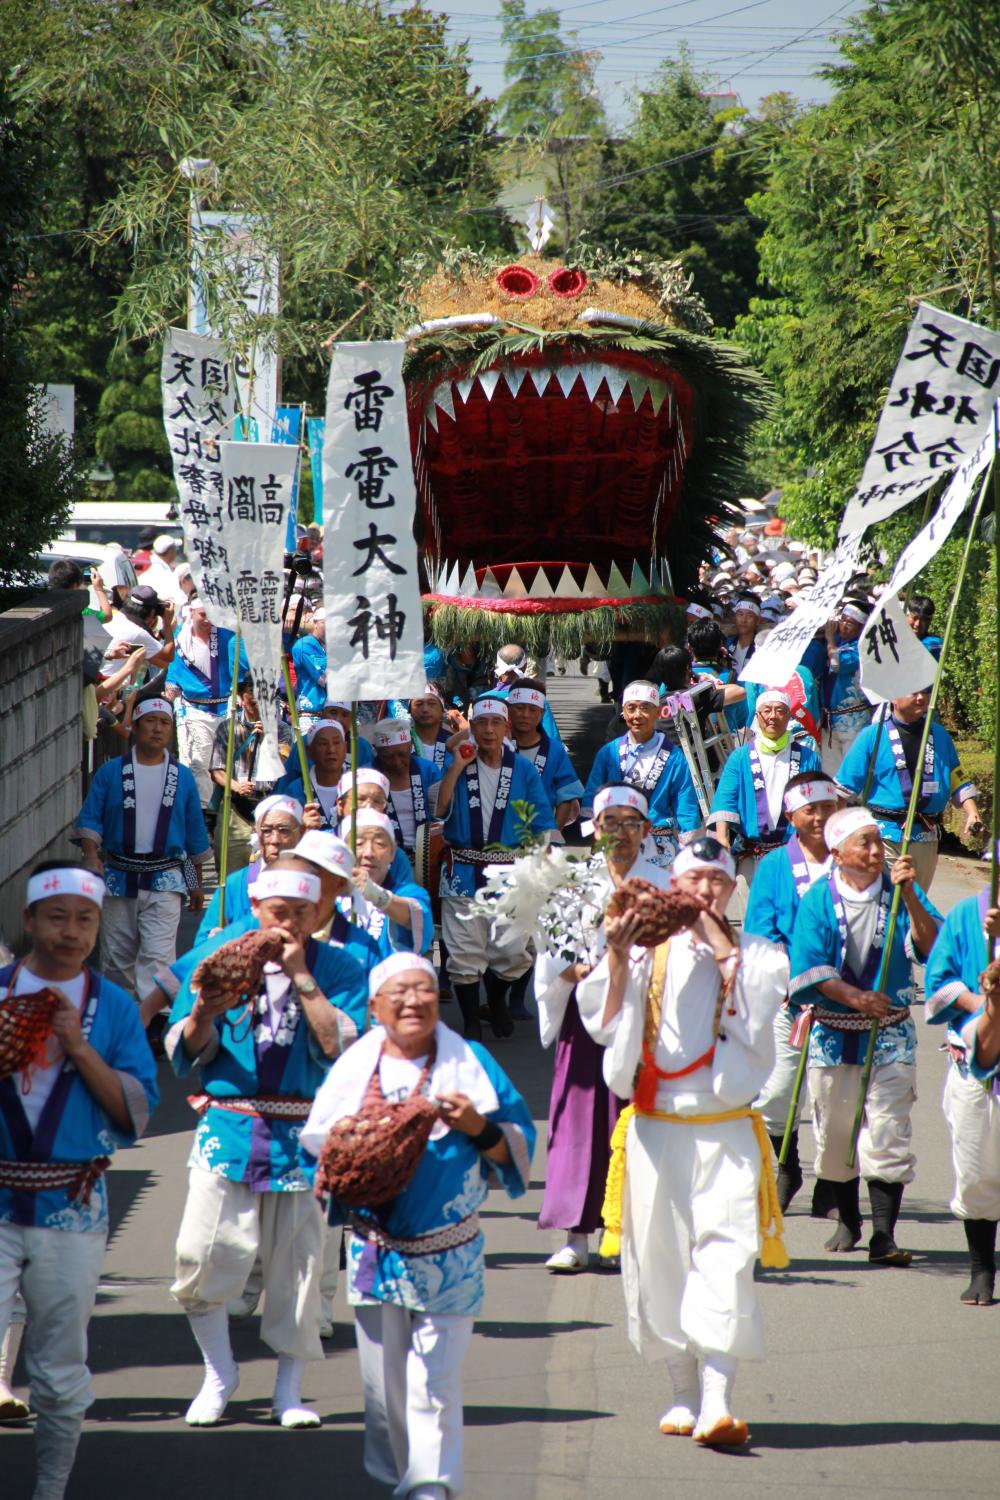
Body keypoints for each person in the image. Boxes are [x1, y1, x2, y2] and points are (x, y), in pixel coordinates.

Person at [576, 839, 788, 1446]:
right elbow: (603, 1023)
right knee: (659, 1262)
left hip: (724, 1132)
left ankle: (719, 1400)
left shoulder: (759, 954)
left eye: (716, 883)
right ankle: (682, 1393)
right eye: (692, 881)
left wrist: (723, 951)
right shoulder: (648, 952)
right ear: (672, 886)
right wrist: (616, 955)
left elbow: (757, 1018)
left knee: (725, 1258)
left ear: (731, 892)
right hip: (654, 1129)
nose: (704, 893)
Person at [300, 953, 535, 1499]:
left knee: (435, 1384)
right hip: (375, 1250)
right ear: (377, 1006)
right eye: (398, 993)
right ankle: (401, 1478)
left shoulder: (471, 1062)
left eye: (424, 990)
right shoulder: (357, 1070)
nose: (412, 1001)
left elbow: (514, 1149)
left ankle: (431, 1488)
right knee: (385, 1393)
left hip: (449, 1254)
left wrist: (476, 1124)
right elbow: (322, 1150)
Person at [167, 866, 368, 1428]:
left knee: (298, 1271)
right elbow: (190, 1049)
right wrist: (205, 1009)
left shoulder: (340, 967)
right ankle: (218, 1371)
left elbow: (339, 1046)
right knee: (198, 1254)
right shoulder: (219, 957)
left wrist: (302, 975)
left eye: (301, 913)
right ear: (255, 906)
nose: (287, 923)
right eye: (277, 911)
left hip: (304, 1132)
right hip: (229, 1125)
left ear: (319, 914)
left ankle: (289, 1390)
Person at [0, 863, 158, 1497]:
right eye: (57, 916)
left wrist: (79, 1047)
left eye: (85, 919)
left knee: (60, 1363)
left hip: (73, 1200)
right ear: (31, 920)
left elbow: (135, 1110)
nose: (71, 931)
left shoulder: (112, 1007)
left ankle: (50, 1487)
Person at [788, 808, 941, 1263]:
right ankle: (849, 1219)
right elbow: (810, 968)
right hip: (835, 1032)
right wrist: (855, 999)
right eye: (865, 843)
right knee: (835, 1136)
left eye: (879, 842)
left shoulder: (898, 891)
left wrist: (911, 896)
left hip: (891, 1031)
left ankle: (884, 1235)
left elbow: (931, 944)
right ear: (837, 852)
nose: (877, 851)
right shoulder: (818, 899)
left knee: (889, 1132)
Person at [533, 784, 668, 1273]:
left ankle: (627, 1231)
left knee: (635, 1122)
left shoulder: (664, 882)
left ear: (647, 831)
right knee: (578, 1121)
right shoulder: (574, 885)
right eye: (610, 823)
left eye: (631, 823)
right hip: (587, 1016)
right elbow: (551, 953)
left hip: (646, 1016)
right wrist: (571, 972)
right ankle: (576, 1233)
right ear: (595, 829)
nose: (620, 833)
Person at [744, 771, 838, 1211]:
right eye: (810, 810)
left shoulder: (851, 858)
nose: (820, 817)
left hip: (845, 999)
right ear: (791, 815)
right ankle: (787, 1161)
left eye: (828, 807)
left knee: (834, 1098)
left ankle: (835, 1180)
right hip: (791, 998)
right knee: (780, 1090)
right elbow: (759, 933)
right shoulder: (774, 865)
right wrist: (795, 979)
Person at [436, 698, 556, 1041]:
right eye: (481, 723)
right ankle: (471, 1020)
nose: (488, 730)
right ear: (471, 728)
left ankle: (499, 1001)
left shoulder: (523, 769)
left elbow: (540, 820)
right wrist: (457, 767)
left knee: (514, 951)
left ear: (506, 728)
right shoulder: (459, 763)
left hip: (510, 870)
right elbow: (441, 808)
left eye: (495, 723)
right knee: (463, 951)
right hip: (462, 868)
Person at [75, 695, 210, 997]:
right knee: (116, 959)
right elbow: (92, 817)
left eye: (164, 723)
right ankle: (121, 1018)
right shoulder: (110, 773)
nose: (157, 729)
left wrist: (196, 883)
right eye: (150, 721)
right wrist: (90, 854)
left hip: (166, 878)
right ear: (135, 726)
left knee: (159, 958)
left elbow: (194, 833)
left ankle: (154, 1022)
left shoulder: (183, 777)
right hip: (118, 875)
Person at [924, 886, 1000, 1303]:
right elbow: (939, 980)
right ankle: (982, 1267)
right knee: (976, 1173)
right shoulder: (966, 914)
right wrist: (984, 1002)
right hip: (975, 1067)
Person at [835, 687, 981, 893]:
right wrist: (836, 834)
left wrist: (972, 813)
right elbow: (842, 788)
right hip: (883, 835)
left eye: (925, 692)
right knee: (885, 899)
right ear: (893, 698)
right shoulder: (872, 736)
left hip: (925, 834)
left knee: (917, 904)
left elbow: (956, 777)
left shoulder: (939, 735)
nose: (921, 697)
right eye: (913, 692)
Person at [708, 690, 822, 909]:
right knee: (754, 922)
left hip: (794, 853)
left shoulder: (808, 757)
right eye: (766, 710)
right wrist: (721, 837)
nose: (772, 716)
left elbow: (816, 806)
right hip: (752, 854)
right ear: (757, 716)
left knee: (792, 917)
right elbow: (725, 800)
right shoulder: (740, 757)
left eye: (780, 711)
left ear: (789, 716)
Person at [582, 680, 700, 868]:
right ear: (623, 711)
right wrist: (594, 837)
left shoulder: (674, 757)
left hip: (659, 844)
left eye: (645, 708)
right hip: (614, 841)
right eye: (631, 708)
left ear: (657, 711)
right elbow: (592, 797)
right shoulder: (608, 752)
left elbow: (685, 802)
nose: (637, 715)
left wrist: (688, 846)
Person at [166, 597, 246, 809]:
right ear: (192, 612)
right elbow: (173, 677)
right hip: (194, 709)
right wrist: (167, 697)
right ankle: (202, 812)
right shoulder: (179, 639)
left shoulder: (228, 637)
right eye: (203, 614)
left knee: (228, 763)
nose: (208, 620)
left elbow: (242, 667)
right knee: (197, 763)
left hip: (227, 707)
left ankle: (225, 811)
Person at [209, 675, 294, 871]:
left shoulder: (282, 730)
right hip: (236, 809)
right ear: (240, 695)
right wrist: (236, 786)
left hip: (270, 806)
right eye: (250, 690)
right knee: (230, 872)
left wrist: (266, 739)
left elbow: (281, 763)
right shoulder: (227, 727)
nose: (256, 696)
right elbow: (217, 770)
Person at [194, 794, 304, 944]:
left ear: (301, 833)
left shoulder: (313, 881)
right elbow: (200, 945)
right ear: (257, 833)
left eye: (284, 830)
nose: (274, 840)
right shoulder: (234, 884)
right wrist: (213, 942)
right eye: (267, 831)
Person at [340, 809, 434, 960]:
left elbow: (416, 916)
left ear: (392, 852)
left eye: (379, 844)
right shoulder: (330, 893)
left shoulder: (409, 892)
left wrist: (375, 894)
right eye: (358, 843)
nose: (369, 853)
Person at [507, 680, 583, 831]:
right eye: (519, 708)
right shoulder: (498, 746)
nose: (525, 715)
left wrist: (554, 833)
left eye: (533, 710)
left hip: (539, 832)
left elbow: (566, 796)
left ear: (542, 713)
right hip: (500, 833)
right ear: (508, 709)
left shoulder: (554, 750)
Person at [371, 717, 443, 863]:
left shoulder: (428, 770)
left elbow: (440, 814)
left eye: (402, 755)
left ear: (410, 745)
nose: (397, 762)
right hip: (384, 859)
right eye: (388, 757)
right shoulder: (367, 776)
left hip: (428, 857)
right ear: (377, 751)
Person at [821, 598, 872, 775]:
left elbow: (837, 663)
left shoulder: (862, 647)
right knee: (830, 774)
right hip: (829, 721)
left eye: (850, 624)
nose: (843, 626)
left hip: (853, 721)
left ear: (861, 627)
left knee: (852, 773)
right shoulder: (838, 642)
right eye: (842, 620)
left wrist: (829, 639)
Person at [277, 719, 347, 830]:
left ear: (345, 748)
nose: (331, 750)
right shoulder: (296, 790)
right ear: (309, 751)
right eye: (323, 743)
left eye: (337, 742)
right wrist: (302, 828)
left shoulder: (357, 786)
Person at [102, 584, 175, 671]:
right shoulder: (139, 633)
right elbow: (168, 657)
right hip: (111, 680)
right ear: (151, 612)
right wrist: (167, 624)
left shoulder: (114, 616)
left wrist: (161, 633)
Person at [408, 685, 459, 769]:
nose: (425, 709)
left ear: (442, 709)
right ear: (410, 710)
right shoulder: (401, 743)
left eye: (431, 704)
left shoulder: (455, 742)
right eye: (419, 704)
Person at [290, 608, 327, 719]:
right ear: (315, 623)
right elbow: (324, 679)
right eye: (325, 622)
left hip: (331, 715)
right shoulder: (305, 644)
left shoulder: (327, 647)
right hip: (311, 715)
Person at [138, 534, 185, 608]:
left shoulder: (145, 575)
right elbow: (180, 601)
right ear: (170, 551)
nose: (176, 551)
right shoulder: (168, 576)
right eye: (175, 548)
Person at [725, 593, 761, 678]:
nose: (744, 620)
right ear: (735, 617)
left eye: (749, 615)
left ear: (757, 620)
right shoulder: (726, 643)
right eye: (740, 614)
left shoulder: (761, 647)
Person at [905, 593, 943, 659]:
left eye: (923, 620)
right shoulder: (897, 639)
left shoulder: (933, 643)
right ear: (906, 616)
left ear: (929, 621)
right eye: (914, 618)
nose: (917, 624)